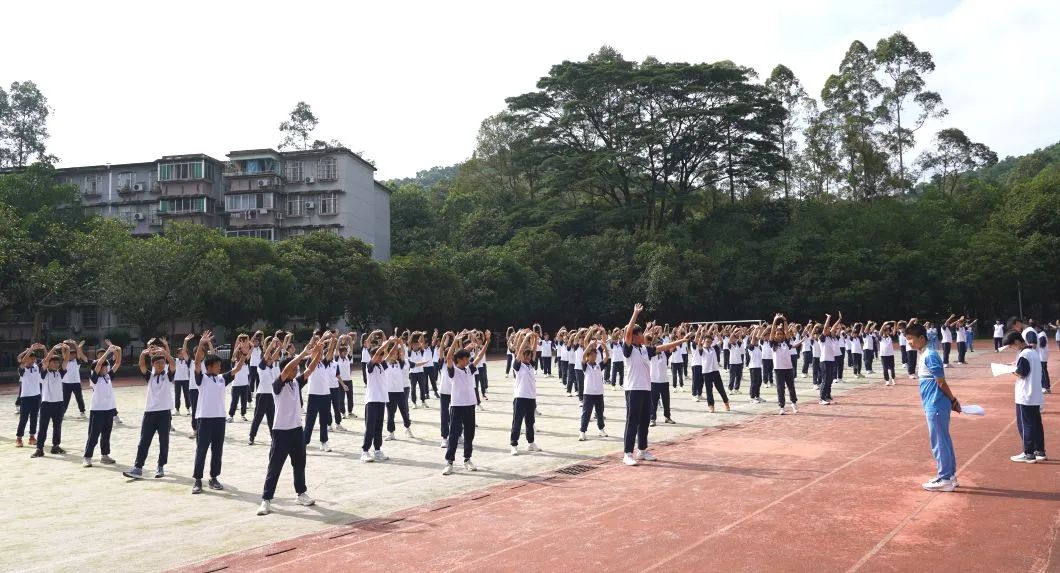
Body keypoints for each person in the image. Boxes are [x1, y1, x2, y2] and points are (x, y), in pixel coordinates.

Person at [257, 337, 322, 516]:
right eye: (294, 368)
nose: (296, 370)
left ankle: (301, 493)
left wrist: (319, 351)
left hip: (296, 430)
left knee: (299, 464)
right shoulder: (277, 385)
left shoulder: (296, 383)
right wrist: (301, 354)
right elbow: (286, 369)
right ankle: (266, 499)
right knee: (275, 466)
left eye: (296, 369)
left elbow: (311, 368)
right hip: (280, 431)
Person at [622, 304, 689, 466]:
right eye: (640, 334)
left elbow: (663, 347)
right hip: (633, 389)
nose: (643, 336)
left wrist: (682, 340)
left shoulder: (644, 349)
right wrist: (635, 313)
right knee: (632, 421)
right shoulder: (628, 349)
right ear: (635, 336)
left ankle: (642, 450)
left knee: (645, 421)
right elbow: (628, 332)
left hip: (646, 389)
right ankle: (627, 453)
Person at [905, 323, 961, 492]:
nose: (909, 342)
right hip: (935, 404)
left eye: (911, 339)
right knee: (943, 440)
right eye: (907, 339)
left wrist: (953, 400)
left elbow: (941, 382)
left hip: (935, 405)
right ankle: (949, 476)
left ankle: (945, 478)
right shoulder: (925, 354)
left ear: (922, 338)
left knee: (939, 442)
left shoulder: (929, 355)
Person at [191, 331, 248, 494]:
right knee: (201, 450)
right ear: (209, 367)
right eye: (217, 365)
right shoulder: (202, 379)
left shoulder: (222, 378)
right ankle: (197, 480)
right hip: (204, 419)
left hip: (219, 419)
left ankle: (214, 477)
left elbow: (237, 368)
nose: (220, 367)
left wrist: (244, 354)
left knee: (217, 450)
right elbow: (197, 363)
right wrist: (201, 344)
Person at [442, 330, 490, 475]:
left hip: (470, 406)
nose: (469, 360)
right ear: (460, 359)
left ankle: (467, 459)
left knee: (469, 434)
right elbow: (449, 357)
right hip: (457, 407)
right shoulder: (453, 371)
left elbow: (480, 356)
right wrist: (455, 341)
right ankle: (449, 462)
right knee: (454, 435)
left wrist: (487, 342)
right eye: (466, 358)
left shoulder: (469, 369)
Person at [1002, 331, 1046, 463]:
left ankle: (1028, 453)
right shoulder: (1033, 352)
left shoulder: (1024, 354)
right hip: (1035, 395)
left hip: (1025, 395)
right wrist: (1015, 365)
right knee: (1036, 424)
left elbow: (1022, 373)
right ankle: (1039, 451)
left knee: (1025, 425)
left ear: (1016, 342)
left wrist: (1009, 370)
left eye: (1011, 346)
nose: (1011, 348)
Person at [83, 345, 121, 467]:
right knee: (93, 435)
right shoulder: (94, 379)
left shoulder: (108, 376)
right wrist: (108, 351)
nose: (105, 368)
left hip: (109, 410)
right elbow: (98, 363)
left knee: (106, 434)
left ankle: (105, 455)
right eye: (103, 367)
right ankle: (87, 457)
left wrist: (118, 351)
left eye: (106, 366)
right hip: (97, 410)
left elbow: (118, 363)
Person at [32, 344, 71, 458]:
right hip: (47, 403)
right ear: (49, 364)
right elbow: (45, 361)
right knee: (43, 427)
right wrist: (53, 349)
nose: (56, 364)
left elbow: (66, 361)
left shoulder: (60, 373)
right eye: (53, 362)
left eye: (57, 362)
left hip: (59, 403)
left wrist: (68, 349)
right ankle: (39, 449)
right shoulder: (44, 373)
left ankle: (55, 446)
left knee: (57, 426)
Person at [361, 334, 395, 463]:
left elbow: (389, 354)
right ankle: (365, 451)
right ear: (373, 356)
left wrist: (395, 343)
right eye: (379, 355)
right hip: (372, 400)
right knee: (370, 427)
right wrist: (387, 342)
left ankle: (377, 450)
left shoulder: (381, 365)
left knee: (379, 427)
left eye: (381, 356)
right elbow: (379, 352)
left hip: (381, 399)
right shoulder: (369, 366)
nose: (381, 357)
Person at [304, 333, 338, 451]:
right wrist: (322, 338)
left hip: (325, 395)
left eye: (322, 353)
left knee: (324, 421)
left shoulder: (324, 364)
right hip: (314, 395)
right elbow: (315, 352)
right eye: (319, 353)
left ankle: (324, 442)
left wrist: (333, 339)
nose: (321, 354)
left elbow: (330, 352)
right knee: (310, 421)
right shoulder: (309, 363)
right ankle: (304, 442)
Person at [510, 328, 542, 455]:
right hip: (520, 397)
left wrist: (535, 338)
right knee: (517, 422)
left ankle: (531, 443)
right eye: (526, 356)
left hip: (531, 397)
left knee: (530, 422)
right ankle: (514, 445)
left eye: (529, 356)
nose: (529, 357)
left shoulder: (530, 365)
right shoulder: (518, 366)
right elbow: (519, 351)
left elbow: (533, 351)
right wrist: (526, 336)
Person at [249, 334, 284, 446]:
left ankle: (273, 438)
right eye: (268, 358)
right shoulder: (261, 367)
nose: (270, 359)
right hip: (262, 395)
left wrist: (279, 345)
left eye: (271, 358)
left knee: (271, 418)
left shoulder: (272, 368)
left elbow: (277, 352)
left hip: (271, 395)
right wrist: (272, 343)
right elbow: (267, 354)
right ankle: (252, 436)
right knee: (258, 417)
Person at [578, 338, 609, 441]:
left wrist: (604, 346)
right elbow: (583, 356)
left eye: (595, 355)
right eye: (591, 355)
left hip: (599, 393)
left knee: (600, 413)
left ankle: (601, 429)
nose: (594, 357)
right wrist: (589, 346)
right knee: (586, 413)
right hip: (588, 393)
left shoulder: (599, 366)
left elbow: (607, 357)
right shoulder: (585, 366)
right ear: (588, 356)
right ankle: (582, 432)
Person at [384, 337, 414, 441]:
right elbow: (386, 352)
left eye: (396, 355)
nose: (395, 356)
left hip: (400, 392)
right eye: (393, 354)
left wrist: (399, 343)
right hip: (389, 393)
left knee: (404, 412)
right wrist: (393, 343)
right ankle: (391, 432)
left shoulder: (400, 364)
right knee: (390, 414)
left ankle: (407, 428)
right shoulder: (385, 364)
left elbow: (403, 353)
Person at [14, 344, 44, 448]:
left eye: (34, 358)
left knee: (34, 418)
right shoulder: (22, 369)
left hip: (36, 396)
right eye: (30, 358)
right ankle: (19, 438)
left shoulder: (37, 367)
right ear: (26, 359)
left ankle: (32, 437)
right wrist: (30, 349)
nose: (32, 360)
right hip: (25, 397)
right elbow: (21, 360)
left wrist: (44, 349)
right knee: (23, 418)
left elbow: (47, 359)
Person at [227, 334, 252, 422]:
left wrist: (247, 339)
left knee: (244, 401)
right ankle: (231, 416)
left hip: (244, 385)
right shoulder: (234, 362)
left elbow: (249, 350)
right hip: (236, 385)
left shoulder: (246, 361)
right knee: (234, 401)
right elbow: (234, 354)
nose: (240, 355)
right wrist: (238, 342)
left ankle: (243, 415)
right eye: (239, 354)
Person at [60, 340, 88, 419]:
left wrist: (75, 344)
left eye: (73, 354)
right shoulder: (65, 361)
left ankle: (82, 412)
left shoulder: (77, 361)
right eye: (70, 354)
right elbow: (63, 353)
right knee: (65, 399)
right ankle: (62, 413)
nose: (72, 356)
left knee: (79, 398)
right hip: (66, 383)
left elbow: (79, 352)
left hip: (76, 383)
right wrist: (63, 345)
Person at [173, 335, 194, 417]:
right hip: (177, 380)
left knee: (187, 395)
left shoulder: (187, 361)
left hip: (186, 379)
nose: (181, 354)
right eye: (179, 353)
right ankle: (177, 410)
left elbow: (185, 353)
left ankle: (188, 409)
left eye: (182, 353)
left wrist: (185, 341)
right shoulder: (175, 360)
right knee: (177, 395)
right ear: (177, 354)